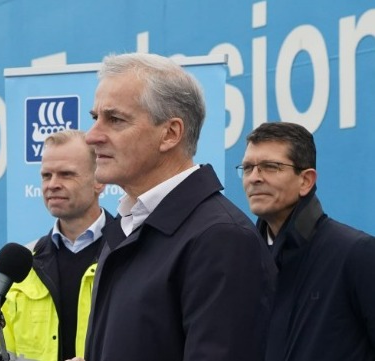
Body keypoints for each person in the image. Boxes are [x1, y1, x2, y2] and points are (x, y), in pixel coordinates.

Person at [73, 53, 276, 361]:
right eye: (94, 118)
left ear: (170, 134)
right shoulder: (128, 225)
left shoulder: (221, 239)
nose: (92, 136)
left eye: (114, 120)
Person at [238, 121, 375, 361]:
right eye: (248, 168)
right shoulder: (244, 261)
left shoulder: (356, 253)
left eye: (270, 167)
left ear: (306, 181)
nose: (254, 178)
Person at [0, 130, 113, 361]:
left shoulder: (130, 253)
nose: (53, 184)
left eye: (66, 174)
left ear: (99, 181)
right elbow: (0, 353)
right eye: (46, 175)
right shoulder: (24, 264)